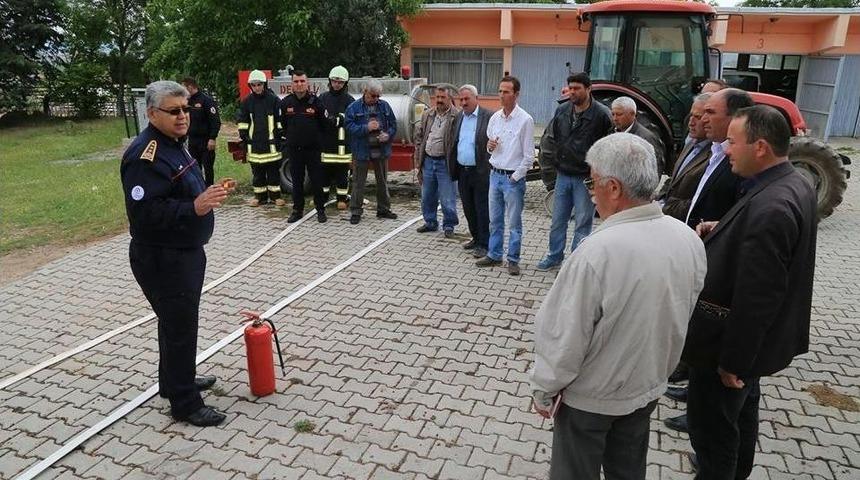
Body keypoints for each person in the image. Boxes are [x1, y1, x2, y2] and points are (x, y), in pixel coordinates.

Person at [530, 133, 706, 480]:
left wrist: (544, 389)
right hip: (646, 386)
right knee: (628, 469)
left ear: (613, 188)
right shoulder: (687, 238)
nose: (590, 192)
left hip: (591, 400)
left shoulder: (597, 252)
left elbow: (565, 336)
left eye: (592, 182)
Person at [682, 105, 817, 479]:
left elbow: (758, 297)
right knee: (740, 421)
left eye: (732, 141)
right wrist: (721, 227)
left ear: (760, 147)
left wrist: (733, 363)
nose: (725, 150)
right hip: (750, 350)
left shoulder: (773, 206)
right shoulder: (787, 185)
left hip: (726, 350)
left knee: (713, 435)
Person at [121, 80, 230, 427]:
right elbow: (145, 213)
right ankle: (185, 404)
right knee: (180, 326)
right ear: (152, 114)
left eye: (185, 109)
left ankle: (174, 381)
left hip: (183, 251)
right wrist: (193, 208)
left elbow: (178, 190)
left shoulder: (174, 144)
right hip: (163, 257)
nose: (183, 116)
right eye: (174, 111)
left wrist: (204, 195)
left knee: (174, 323)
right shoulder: (145, 155)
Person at [535, 73, 612, 271]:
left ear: (588, 89)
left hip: (585, 179)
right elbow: (555, 139)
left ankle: (576, 264)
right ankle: (554, 256)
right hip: (563, 175)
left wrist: (597, 176)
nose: (572, 92)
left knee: (583, 223)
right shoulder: (562, 110)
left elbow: (607, 147)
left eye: (577, 88)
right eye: (570, 88)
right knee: (557, 221)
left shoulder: (602, 115)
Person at [475, 76, 534, 276]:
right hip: (495, 175)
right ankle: (494, 254)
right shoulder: (494, 118)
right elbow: (490, 146)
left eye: (506, 92)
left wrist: (515, 177)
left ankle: (513, 259)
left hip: (512, 179)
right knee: (495, 220)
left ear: (516, 94)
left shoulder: (525, 120)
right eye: (500, 91)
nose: (501, 95)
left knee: (514, 223)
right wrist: (489, 147)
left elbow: (529, 156)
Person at [684, 88, 753, 228]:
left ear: (735, 117)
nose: (703, 120)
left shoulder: (743, 163)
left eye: (710, 112)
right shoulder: (715, 150)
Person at [345, 79, 398, 224]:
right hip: (361, 150)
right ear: (365, 92)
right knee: (358, 182)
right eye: (373, 96)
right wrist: (366, 128)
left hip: (380, 150)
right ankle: (356, 211)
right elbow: (348, 127)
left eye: (378, 96)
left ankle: (383, 210)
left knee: (382, 181)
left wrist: (387, 135)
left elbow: (393, 125)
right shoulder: (353, 107)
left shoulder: (385, 106)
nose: (375, 99)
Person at [448, 84, 492, 258]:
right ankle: (475, 237)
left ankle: (484, 243)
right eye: (461, 99)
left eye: (467, 99)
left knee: (482, 208)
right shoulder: (458, 117)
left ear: (476, 99)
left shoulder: (488, 117)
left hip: (481, 171)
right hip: (462, 170)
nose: (464, 103)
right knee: (468, 207)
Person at [280, 70, 328, 223]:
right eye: (296, 81)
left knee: (316, 180)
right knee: (297, 181)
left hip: (313, 150)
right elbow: (283, 125)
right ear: (292, 84)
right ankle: (297, 210)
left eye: (302, 81)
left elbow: (324, 124)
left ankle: (320, 210)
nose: (299, 84)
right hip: (294, 150)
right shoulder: (286, 103)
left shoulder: (316, 102)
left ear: (307, 83)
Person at [657, 93, 713, 221]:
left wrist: (665, 208)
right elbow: (673, 180)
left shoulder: (715, 155)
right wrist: (659, 200)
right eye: (691, 115)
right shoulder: (691, 143)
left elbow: (700, 201)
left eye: (697, 117)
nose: (691, 123)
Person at [414, 86, 459, 237]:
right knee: (427, 196)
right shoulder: (428, 114)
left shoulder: (457, 116)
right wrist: (418, 160)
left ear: (450, 99)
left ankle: (449, 225)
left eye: (442, 97)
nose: (439, 100)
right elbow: (419, 137)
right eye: (437, 97)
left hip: (444, 164)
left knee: (447, 197)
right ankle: (430, 222)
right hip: (428, 161)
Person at [236, 70, 284, 207]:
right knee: (257, 173)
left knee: (273, 172)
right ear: (250, 86)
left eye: (259, 84)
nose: (257, 87)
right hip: (254, 144)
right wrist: (243, 135)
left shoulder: (273, 100)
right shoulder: (247, 102)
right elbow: (243, 120)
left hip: (271, 144)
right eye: (254, 85)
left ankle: (275, 197)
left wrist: (279, 134)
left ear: (265, 84)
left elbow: (279, 119)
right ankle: (259, 197)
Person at [319, 65, 355, 211]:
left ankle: (342, 198)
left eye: (340, 82)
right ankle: (323, 197)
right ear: (330, 81)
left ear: (345, 83)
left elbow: (351, 118)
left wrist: (339, 118)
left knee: (342, 175)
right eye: (334, 81)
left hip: (342, 147)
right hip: (326, 145)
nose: (337, 84)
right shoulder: (323, 98)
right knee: (324, 174)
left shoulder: (349, 100)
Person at [181, 77, 221, 187]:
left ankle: (209, 188)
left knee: (207, 167)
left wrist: (212, 138)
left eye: (183, 87)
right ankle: (198, 189)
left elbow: (215, 121)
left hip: (206, 140)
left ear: (190, 87)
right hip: (192, 140)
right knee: (194, 167)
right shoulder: (186, 101)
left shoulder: (206, 100)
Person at [610, 96, 665, 172]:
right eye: (613, 114)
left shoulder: (646, 139)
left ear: (632, 114)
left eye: (619, 114)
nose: (615, 119)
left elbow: (655, 169)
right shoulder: (611, 133)